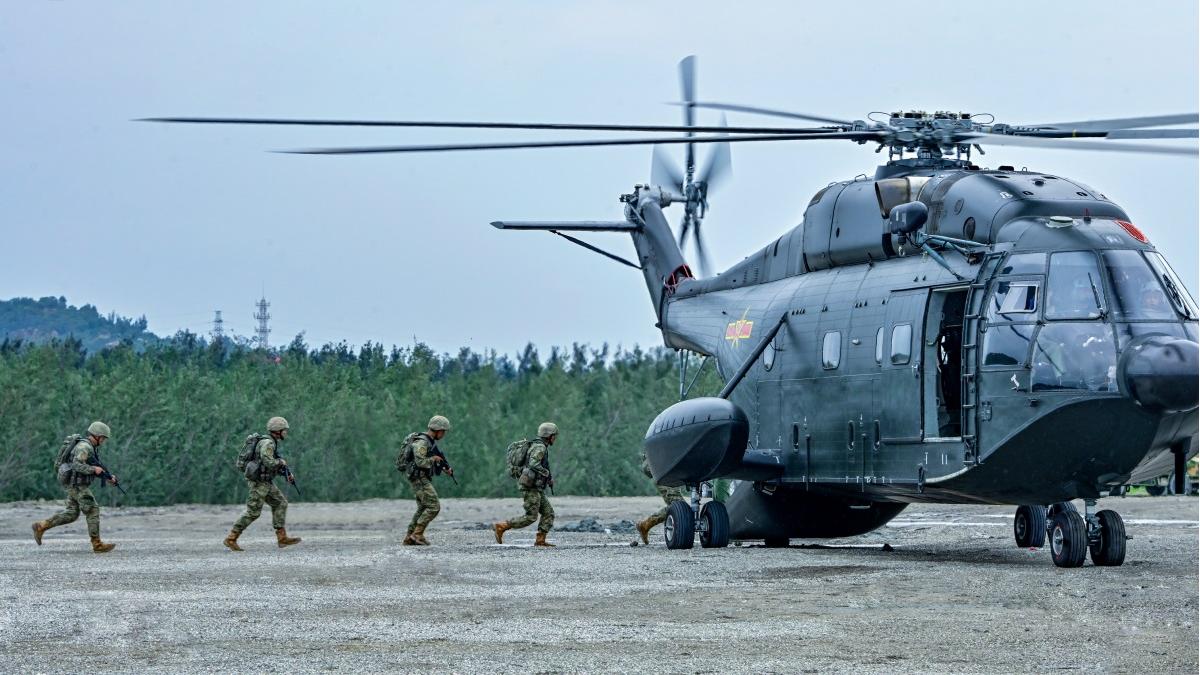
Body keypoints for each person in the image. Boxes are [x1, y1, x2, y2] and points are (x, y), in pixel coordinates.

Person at [31, 421, 119, 553]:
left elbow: (94, 467)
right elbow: (77, 465)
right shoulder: (84, 447)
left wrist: (107, 477)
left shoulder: (90, 447)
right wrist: (93, 469)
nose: (104, 441)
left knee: (72, 514)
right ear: (97, 436)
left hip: (74, 484)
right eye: (104, 438)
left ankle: (41, 526)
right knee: (92, 510)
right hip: (77, 485)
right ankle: (97, 544)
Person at [223, 416, 301, 551]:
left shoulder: (269, 442)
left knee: (280, 503)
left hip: (266, 482)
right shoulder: (268, 444)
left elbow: (267, 463)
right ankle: (231, 538)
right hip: (259, 483)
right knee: (253, 512)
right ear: (278, 431)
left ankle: (282, 538)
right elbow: (268, 462)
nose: (286, 433)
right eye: (284, 430)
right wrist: (281, 463)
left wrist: (285, 473)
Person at [493, 422, 559, 547]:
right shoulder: (540, 448)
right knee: (531, 517)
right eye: (554, 436)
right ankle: (501, 526)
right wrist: (546, 473)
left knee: (548, 513)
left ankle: (540, 540)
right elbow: (534, 464)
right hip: (530, 487)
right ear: (549, 436)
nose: (555, 438)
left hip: (535, 487)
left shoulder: (538, 445)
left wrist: (548, 478)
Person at [401, 415, 452, 546]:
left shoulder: (429, 441)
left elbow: (429, 459)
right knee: (434, 506)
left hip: (420, 477)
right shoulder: (422, 442)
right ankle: (417, 534)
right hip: (419, 478)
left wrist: (443, 467)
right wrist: (433, 459)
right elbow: (420, 462)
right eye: (444, 431)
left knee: (423, 507)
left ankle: (409, 537)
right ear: (438, 430)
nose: (444, 434)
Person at [635, 454, 688, 545]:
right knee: (679, 506)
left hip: (666, 468)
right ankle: (645, 525)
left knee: (679, 507)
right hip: (662, 469)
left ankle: (645, 525)